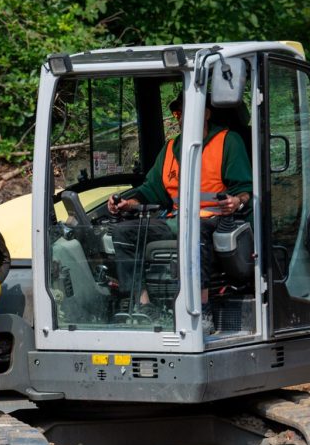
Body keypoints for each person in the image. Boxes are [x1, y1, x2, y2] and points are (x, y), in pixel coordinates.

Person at [106, 93, 252, 332]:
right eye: (178, 113)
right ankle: (143, 306)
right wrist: (127, 203)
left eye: (188, 111)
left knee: (195, 231)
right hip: (176, 220)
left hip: (212, 220)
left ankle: (202, 310)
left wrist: (237, 201)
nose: (182, 117)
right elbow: (152, 189)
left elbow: (245, 189)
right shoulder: (171, 148)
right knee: (123, 232)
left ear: (206, 114)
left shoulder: (228, 142)